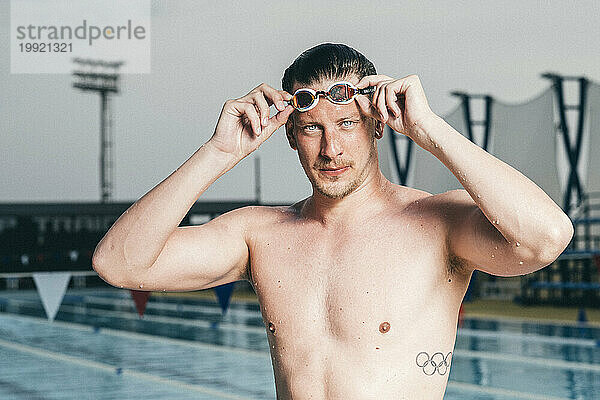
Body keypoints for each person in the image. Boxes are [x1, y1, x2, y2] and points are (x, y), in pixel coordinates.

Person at [92, 43, 574, 399]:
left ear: (378, 124)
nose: (331, 149)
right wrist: (218, 153)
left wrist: (430, 130)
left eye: (345, 123)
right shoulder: (260, 235)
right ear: (290, 136)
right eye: (312, 129)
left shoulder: (436, 223)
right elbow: (120, 265)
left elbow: (546, 238)